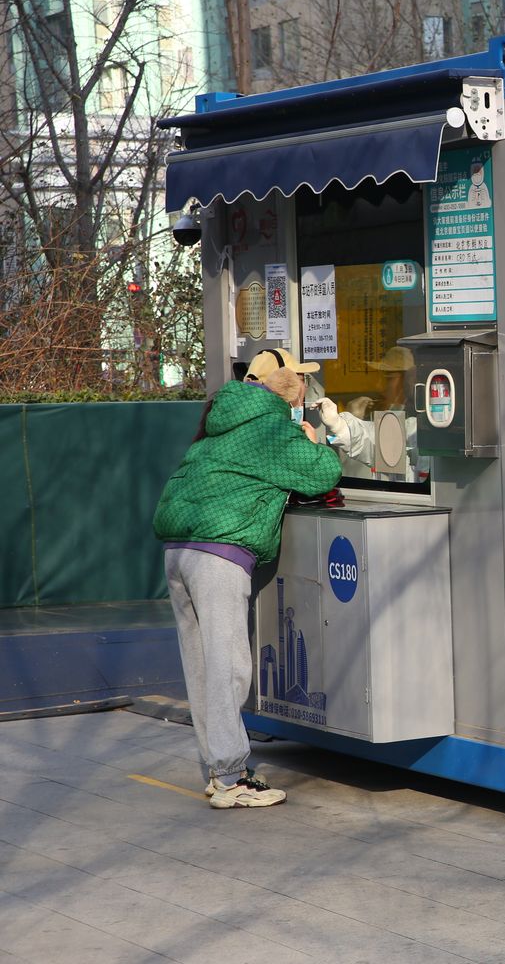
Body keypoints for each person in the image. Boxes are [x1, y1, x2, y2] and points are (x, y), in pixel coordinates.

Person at [153, 352, 341, 809]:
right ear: (285, 385)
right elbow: (323, 475)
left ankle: (221, 770)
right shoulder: (272, 427)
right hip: (219, 555)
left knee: (201, 666)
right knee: (227, 667)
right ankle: (232, 778)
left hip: (178, 551)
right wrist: (317, 442)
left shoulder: (225, 418)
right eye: (301, 379)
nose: (305, 388)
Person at [314, 344, 429, 482]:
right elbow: (364, 443)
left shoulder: (412, 427)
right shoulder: (382, 418)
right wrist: (343, 424)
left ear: (405, 382)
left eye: (388, 378)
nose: (380, 386)